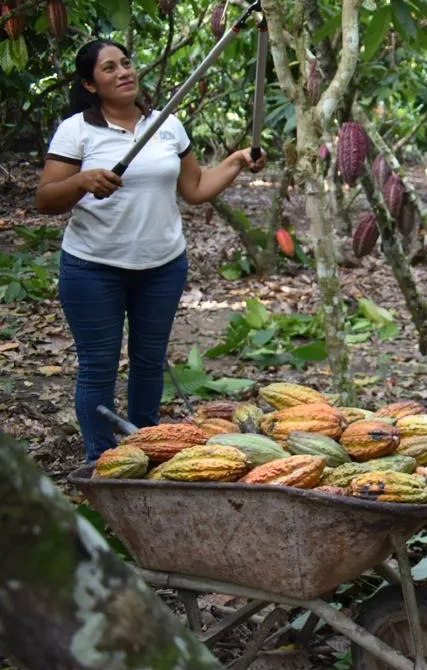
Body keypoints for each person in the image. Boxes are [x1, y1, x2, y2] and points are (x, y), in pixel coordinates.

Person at [35, 39, 264, 462]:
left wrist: (234, 162)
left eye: (126, 63)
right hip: (93, 268)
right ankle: (102, 461)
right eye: (109, 68)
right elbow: (46, 199)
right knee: (98, 368)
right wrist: (82, 182)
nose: (123, 72)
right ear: (90, 83)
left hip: (162, 267)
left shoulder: (167, 125)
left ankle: (147, 450)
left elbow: (195, 189)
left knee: (148, 362)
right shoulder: (77, 130)